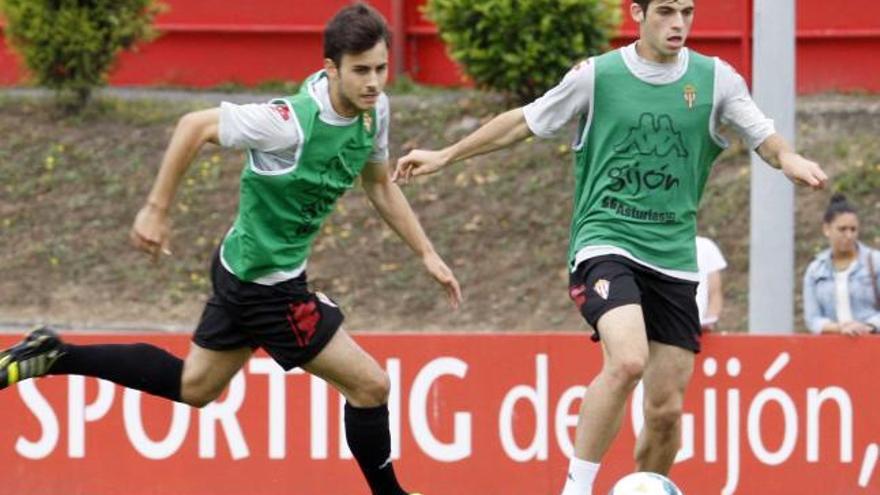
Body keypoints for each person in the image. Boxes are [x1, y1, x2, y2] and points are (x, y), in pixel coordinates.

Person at [0, 4, 460, 495]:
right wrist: (156, 209)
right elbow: (192, 126)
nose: (373, 82)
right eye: (361, 70)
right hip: (268, 290)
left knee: (195, 387)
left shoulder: (375, 111)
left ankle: (54, 355)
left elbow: (380, 186)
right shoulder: (288, 123)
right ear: (331, 69)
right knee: (371, 386)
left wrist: (426, 253)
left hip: (243, 269)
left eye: (381, 68)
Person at [393, 0, 827, 493]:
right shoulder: (596, 77)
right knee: (627, 360)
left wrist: (788, 158)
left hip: (675, 259)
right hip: (606, 242)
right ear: (636, 13)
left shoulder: (716, 80)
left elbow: (764, 135)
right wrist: (447, 153)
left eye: (687, 11)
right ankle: (575, 489)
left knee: (665, 411)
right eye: (665, 11)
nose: (678, 23)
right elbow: (523, 122)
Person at [803, 193, 880, 336]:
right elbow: (812, 319)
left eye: (853, 229)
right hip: (832, 348)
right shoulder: (815, 270)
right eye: (842, 229)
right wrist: (839, 328)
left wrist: (867, 326)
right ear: (827, 229)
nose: (849, 235)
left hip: (871, 345)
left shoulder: (875, 262)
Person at [695, 236, 727, 331]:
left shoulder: (705, 246)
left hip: (697, 330)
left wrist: (709, 320)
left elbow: (715, 293)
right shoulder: (654, 246)